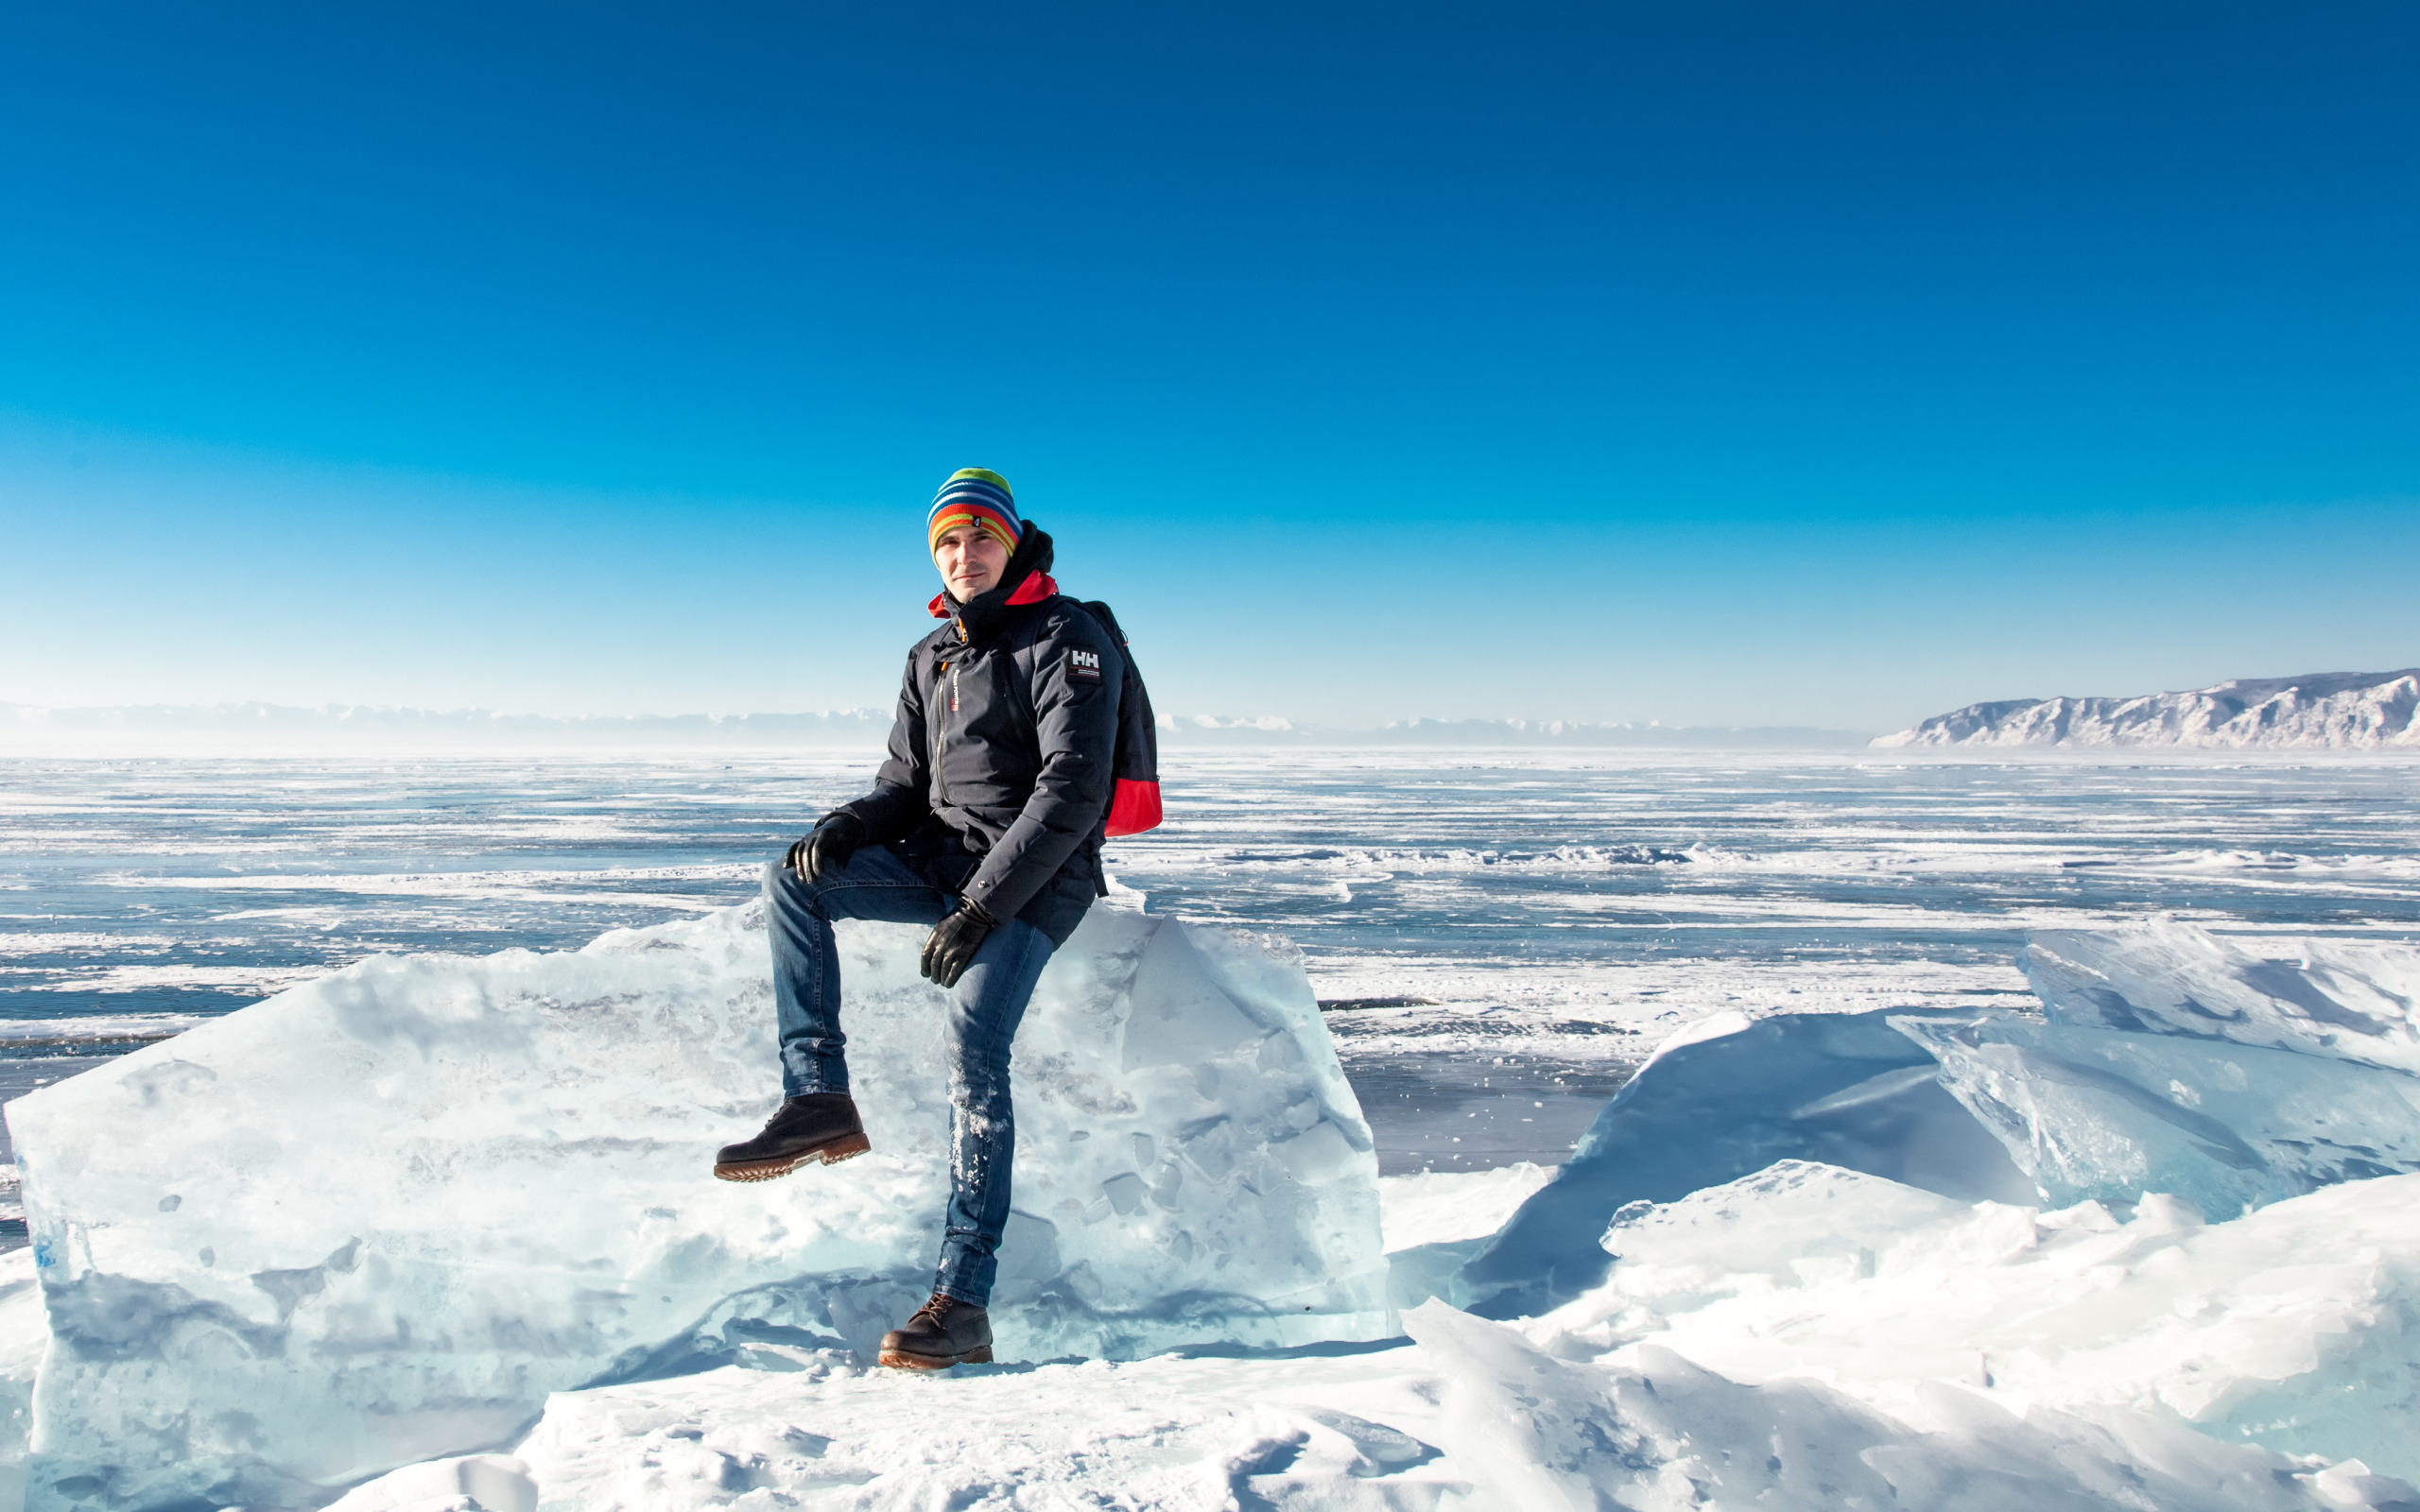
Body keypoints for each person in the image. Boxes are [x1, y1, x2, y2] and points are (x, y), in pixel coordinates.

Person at [713, 467, 1125, 1370]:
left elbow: (1071, 791)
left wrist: (983, 907)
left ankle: (962, 1301)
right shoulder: (929, 655)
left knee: (975, 1040)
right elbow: (904, 787)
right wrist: (849, 827)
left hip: (1035, 879)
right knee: (794, 879)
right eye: (946, 541)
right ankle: (817, 1097)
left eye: (979, 537)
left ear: (1011, 542)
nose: (962, 554)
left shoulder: (1067, 636)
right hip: (944, 862)